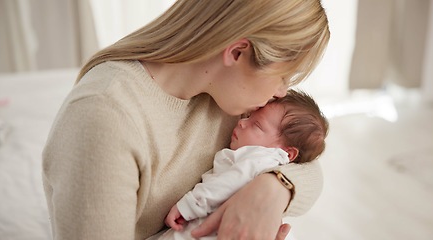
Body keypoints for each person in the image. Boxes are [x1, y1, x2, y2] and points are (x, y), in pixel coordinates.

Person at [42, 0, 330, 239]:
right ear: (237, 52)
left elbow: (307, 162)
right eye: (283, 76)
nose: (281, 92)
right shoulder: (104, 117)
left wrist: (273, 189)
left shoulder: (231, 95)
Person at [152, 89, 328, 240]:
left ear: (287, 153)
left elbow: (226, 183)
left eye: (256, 126)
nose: (242, 122)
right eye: (249, 117)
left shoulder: (261, 158)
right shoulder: (268, 159)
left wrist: (188, 206)